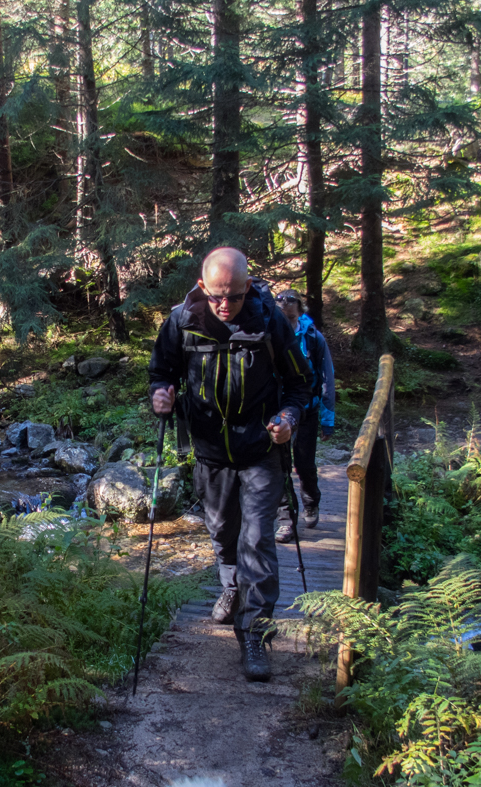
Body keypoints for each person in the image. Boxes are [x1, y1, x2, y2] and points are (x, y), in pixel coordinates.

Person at [148, 248, 314, 682]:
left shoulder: (269, 320)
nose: (226, 306)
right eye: (218, 296)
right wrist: (161, 395)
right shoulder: (181, 321)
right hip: (209, 451)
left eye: (235, 297)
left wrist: (289, 420)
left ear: (248, 287)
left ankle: (255, 635)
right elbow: (161, 370)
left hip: (261, 450)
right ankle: (231, 588)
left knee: (257, 541)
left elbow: (300, 383)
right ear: (203, 287)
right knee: (223, 533)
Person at [273, 290, 335, 543]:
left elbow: (327, 377)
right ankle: (286, 521)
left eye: (290, 308)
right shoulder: (270, 334)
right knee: (281, 466)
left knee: (304, 464)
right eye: (281, 307)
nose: (285, 311)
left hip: (307, 410)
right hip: (278, 411)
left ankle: (311, 503)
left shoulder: (313, 337)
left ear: (299, 308)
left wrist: (328, 418)